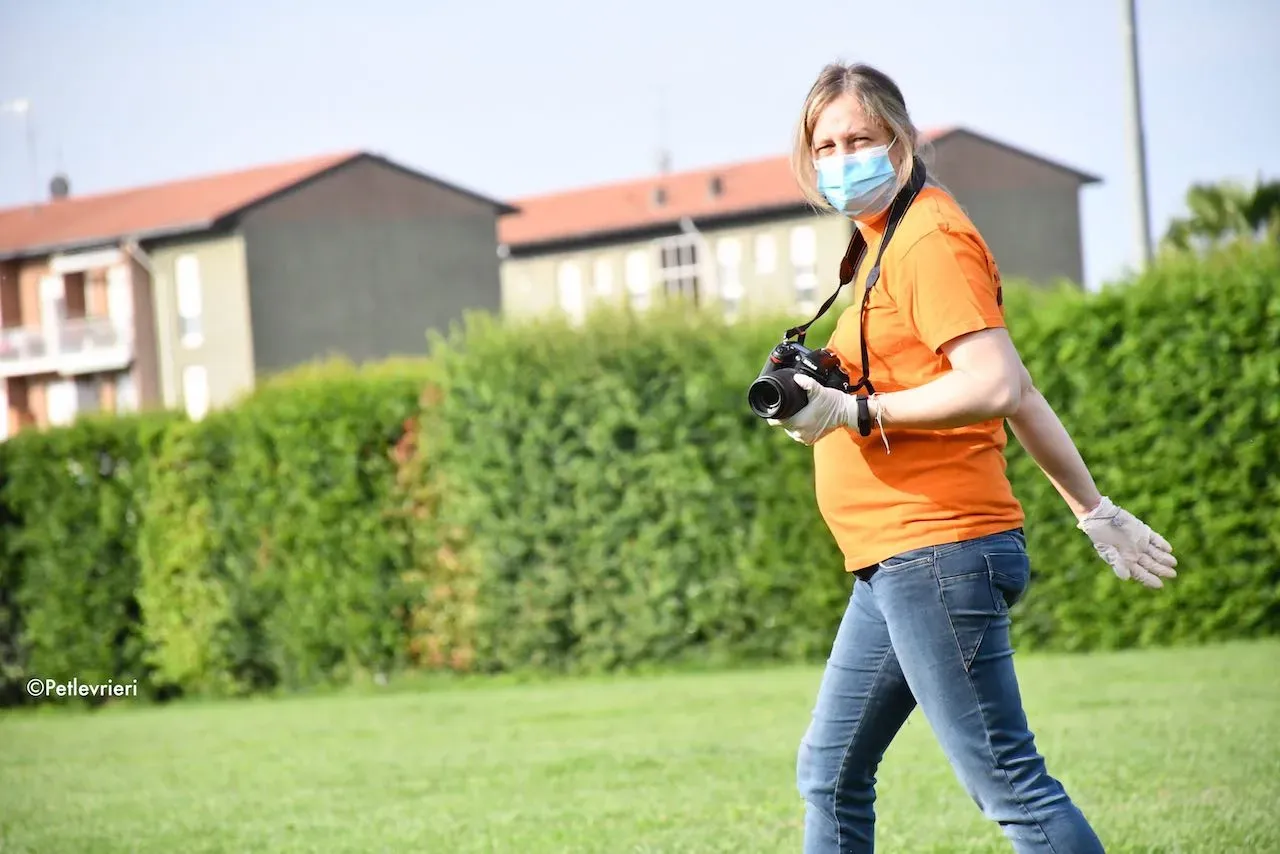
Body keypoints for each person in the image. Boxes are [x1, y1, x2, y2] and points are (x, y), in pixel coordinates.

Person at [768, 62, 1179, 854]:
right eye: (824, 144)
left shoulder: (929, 240)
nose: (840, 156)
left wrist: (856, 409)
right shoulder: (883, 244)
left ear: (902, 138)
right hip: (894, 559)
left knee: (1011, 787)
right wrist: (1093, 509)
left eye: (859, 137)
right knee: (829, 772)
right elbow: (1019, 387)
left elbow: (989, 384)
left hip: (935, 551)